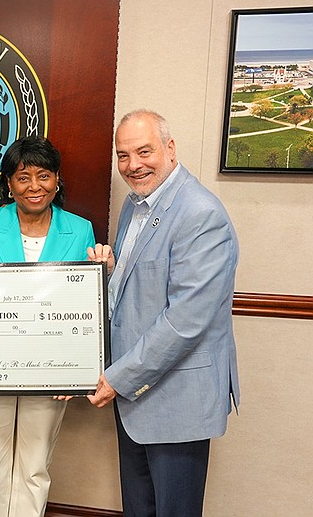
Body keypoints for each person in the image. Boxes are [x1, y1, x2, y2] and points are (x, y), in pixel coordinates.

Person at [87, 110, 240, 517]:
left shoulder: (200, 214)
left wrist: (117, 379)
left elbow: (185, 321)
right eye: (123, 155)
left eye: (144, 151)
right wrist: (111, 274)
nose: (133, 165)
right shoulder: (136, 206)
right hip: (136, 396)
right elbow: (145, 289)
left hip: (176, 400)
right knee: (140, 510)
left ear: (170, 149)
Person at [0, 136, 99, 516]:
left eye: (43, 176)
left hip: (50, 369)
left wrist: (73, 370)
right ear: (8, 184)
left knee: (35, 467)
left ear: (57, 180)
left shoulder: (81, 229)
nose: (34, 186)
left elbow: (84, 304)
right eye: (23, 177)